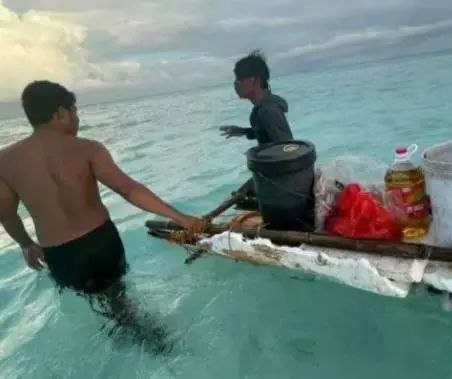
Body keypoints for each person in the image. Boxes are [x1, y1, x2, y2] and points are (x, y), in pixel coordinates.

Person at [0, 80, 206, 353]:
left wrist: (26, 244)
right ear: (60, 113)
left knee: (94, 305)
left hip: (61, 254)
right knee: (119, 296)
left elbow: (6, 214)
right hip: (102, 243)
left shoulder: (6, 161)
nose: (77, 117)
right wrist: (181, 218)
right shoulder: (88, 148)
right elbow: (129, 190)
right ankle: (155, 340)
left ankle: (126, 339)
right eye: (75, 111)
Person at [219, 50, 294, 198]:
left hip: (282, 182)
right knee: (240, 196)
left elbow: (287, 150)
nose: (235, 83)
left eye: (240, 78)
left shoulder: (268, 110)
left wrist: (260, 183)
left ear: (254, 80)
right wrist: (244, 131)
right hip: (274, 175)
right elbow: (267, 133)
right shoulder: (264, 108)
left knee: (240, 197)